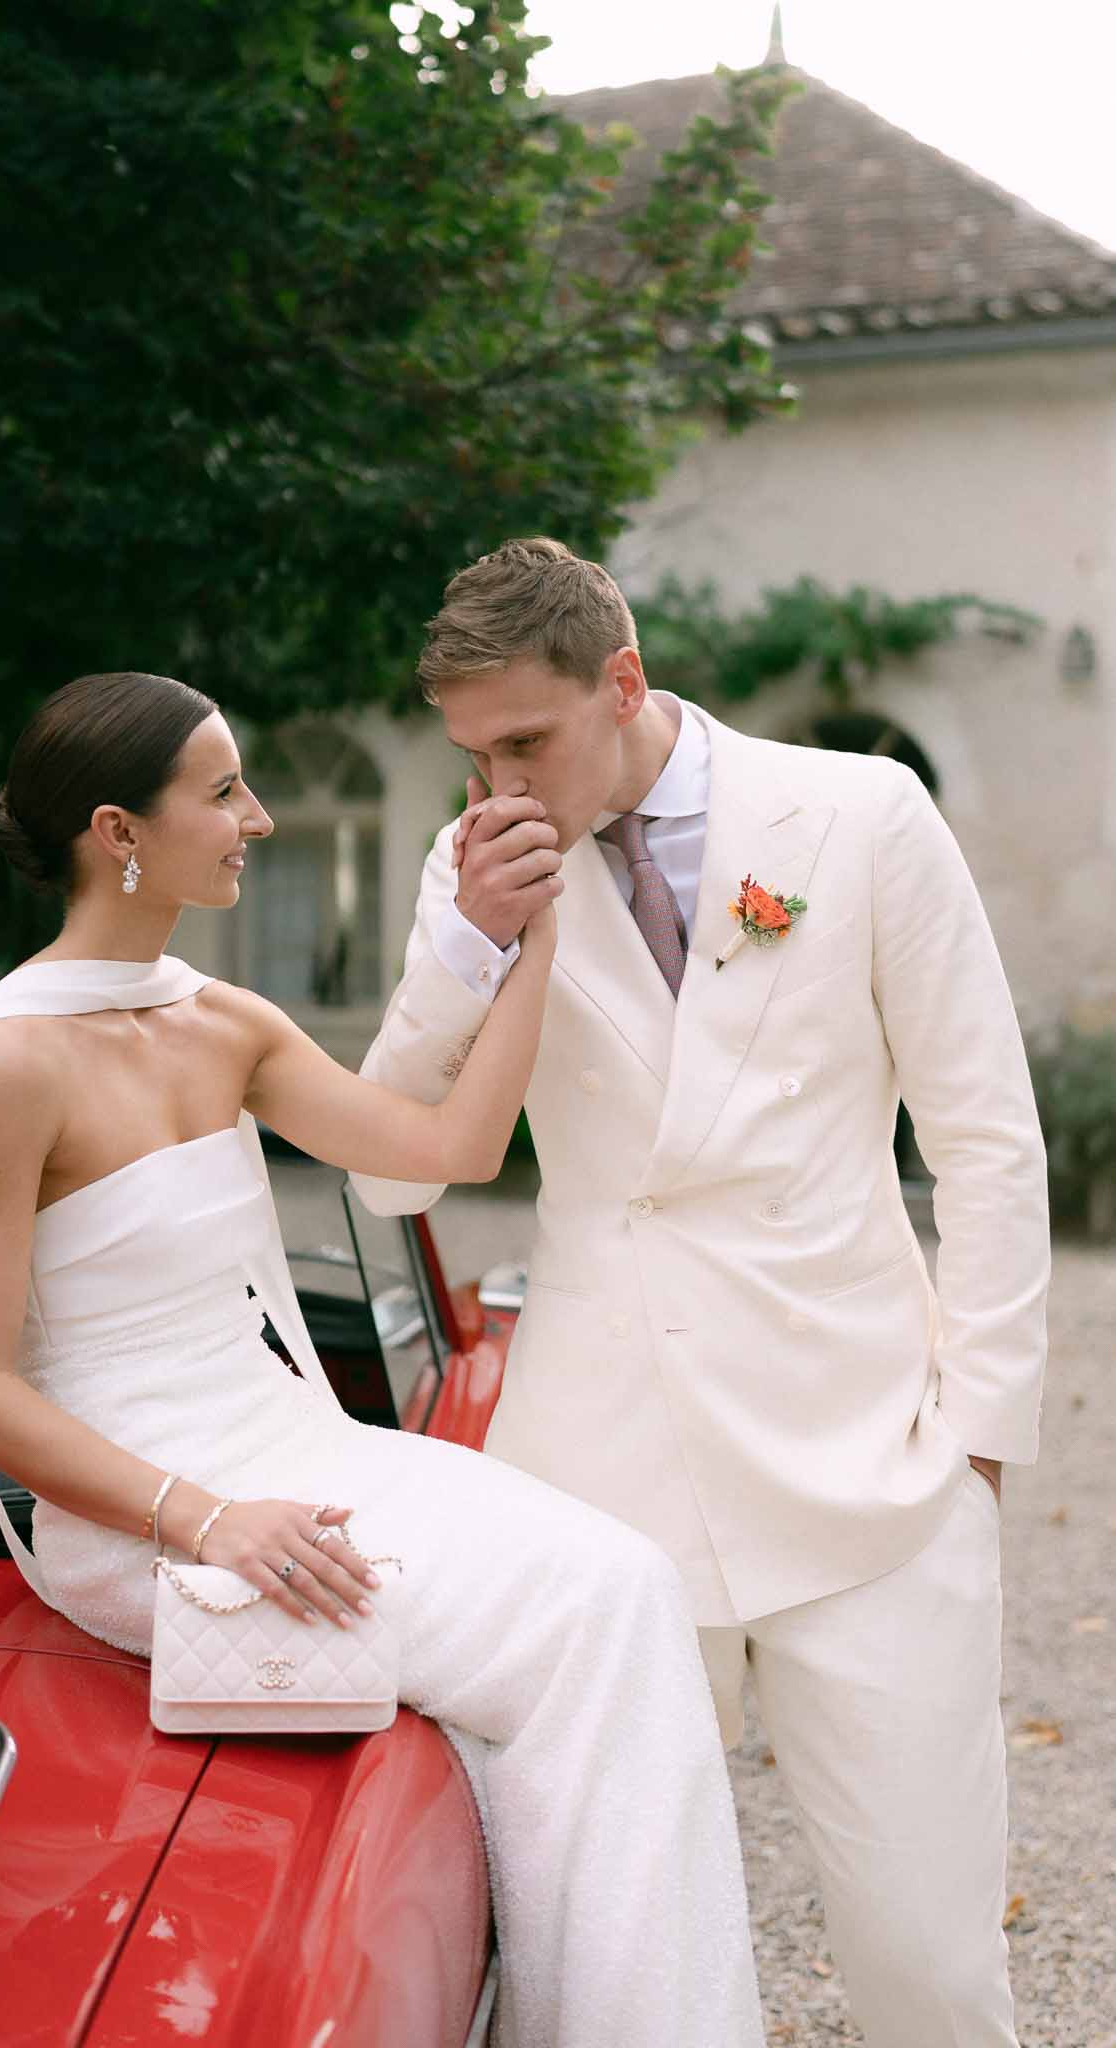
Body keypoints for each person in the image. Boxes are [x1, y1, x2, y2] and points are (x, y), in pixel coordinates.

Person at [0, 669, 764, 2048]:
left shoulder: (224, 1020)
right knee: (592, 1620)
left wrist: (528, 936)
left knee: (626, 1582)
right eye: (225, 791)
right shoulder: (8, 1066)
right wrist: (209, 1519)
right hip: (141, 1513)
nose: (255, 817)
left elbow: (448, 1152)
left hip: (295, 1451)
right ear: (116, 830)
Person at [353, 538, 1050, 2048]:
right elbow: (390, 1177)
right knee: (611, 1965)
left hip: (870, 1458)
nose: (501, 790)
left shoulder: (860, 814)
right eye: (473, 757)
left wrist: (980, 1440)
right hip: (604, 1478)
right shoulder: (472, 870)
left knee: (928, 1962)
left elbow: (985, 1134)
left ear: (622, 682)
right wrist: (467, 947)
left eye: (526, 742)